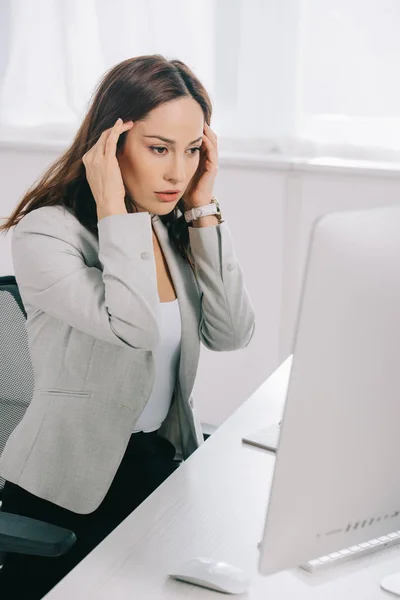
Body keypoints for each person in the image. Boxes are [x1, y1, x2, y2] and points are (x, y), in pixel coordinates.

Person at [0, 54, 255, 598]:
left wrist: (204, 207)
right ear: (110, 147)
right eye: (159, 148)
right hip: (65, 494)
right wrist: (115, 210)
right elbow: (134, 329)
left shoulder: (168, 229)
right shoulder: (47, 235)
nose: (176, 172)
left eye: (192, 151)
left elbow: (232, 332)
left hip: (159, 469)